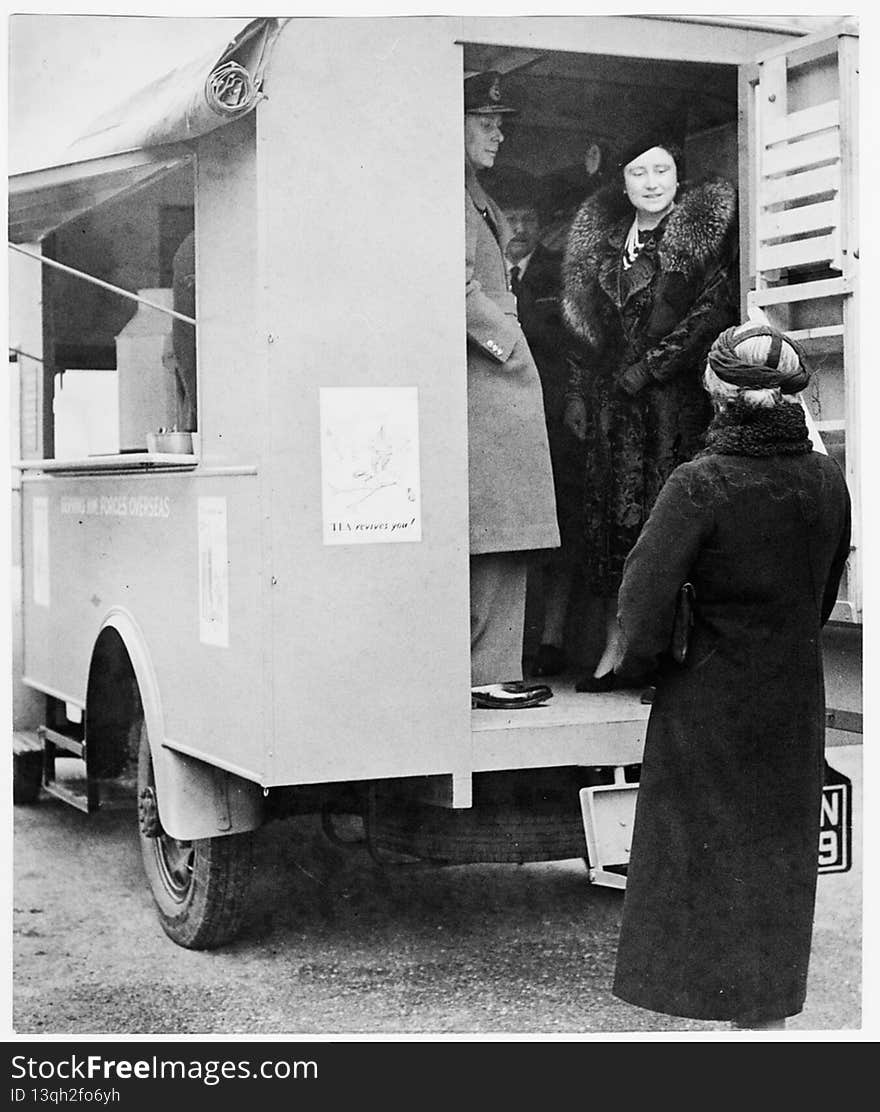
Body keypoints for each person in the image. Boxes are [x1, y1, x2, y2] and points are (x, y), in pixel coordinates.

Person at [610, 322, 852, 1030]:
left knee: (703, 863)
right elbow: (826, 587)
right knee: (775, 858)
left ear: (717, 390)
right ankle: (766, 1020)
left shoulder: (700, 483)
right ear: (788, 397)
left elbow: (643, 600)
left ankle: (714, 1025)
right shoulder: (825, 478)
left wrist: (644, 668)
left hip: (709, 701)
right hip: (793, 695)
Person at [561, 135, 739, 692]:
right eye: (639, 172)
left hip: (673, 409)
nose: (652, 182)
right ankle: (618, 649)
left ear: (678, 178)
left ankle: (667, 657)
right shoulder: (608, 241)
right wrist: (576, 393)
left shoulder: (697, 240)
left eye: (662, 170)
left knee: (669, 528)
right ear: (622, 182)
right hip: (614, 412)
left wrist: (652, 368)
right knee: (614, 529)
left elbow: (714, 312)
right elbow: (582, 328)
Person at [463, 71, 560, 710]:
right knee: (499, 524)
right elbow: (455, 290)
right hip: (486, 376)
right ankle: (483, 672)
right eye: (485, 119)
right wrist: (509, 345)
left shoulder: (469, 191)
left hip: (490, 380)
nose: (499, 131)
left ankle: (489, 666)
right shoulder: (450, 193)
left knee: (505, 524)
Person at [497, 187, 583, 677]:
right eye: (510, 216)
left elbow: (577, 342)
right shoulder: (482, 266)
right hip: (501, 423)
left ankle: (550, 638)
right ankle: (511, 644)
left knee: (561, 529)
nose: (520, 227)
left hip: (553, 420)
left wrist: (573, 400)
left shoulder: (559, 271)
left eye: (528, 215)